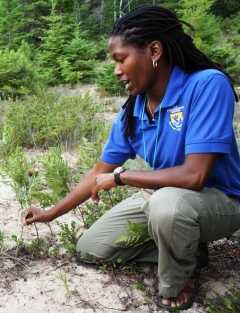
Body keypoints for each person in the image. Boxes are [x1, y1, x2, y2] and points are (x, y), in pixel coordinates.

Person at [24, 4, 240, 311]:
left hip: (221, 201)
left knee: (166, 207)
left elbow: (194, 176)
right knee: (91, 248)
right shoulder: (133, 111)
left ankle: (178, 280)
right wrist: (51, 213)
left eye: (121, 59)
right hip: (168, 199)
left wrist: (122, 177)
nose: (116, 70)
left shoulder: (205, 85)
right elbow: (99, 171)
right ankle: (188, 248)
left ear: (154, 50)